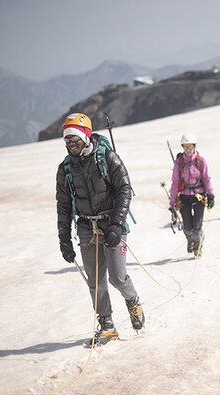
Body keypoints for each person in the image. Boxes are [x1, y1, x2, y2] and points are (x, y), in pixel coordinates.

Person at [56, 112, 144, 345]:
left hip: (112, 224)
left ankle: (132, 301)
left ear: (85, 136)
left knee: (116, 277)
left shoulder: (107, 157)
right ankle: (107, 325)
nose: (71, 144)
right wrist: (64, 239)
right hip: (86, 227)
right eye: (67, 140)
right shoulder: (65, 169)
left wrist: (116, 224)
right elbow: (63, 206)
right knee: (95, 281)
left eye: (74, 139)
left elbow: (125, 188)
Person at [169, 133, 214, 257]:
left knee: (197, 227)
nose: (188, 150)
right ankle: (190, 240)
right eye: (185, 147)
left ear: (194, 146)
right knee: (187, 228)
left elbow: (207, 178)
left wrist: (210, 195)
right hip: (184, 197)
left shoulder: (201, 161)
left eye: (190, 147)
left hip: (199, 196)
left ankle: (197, 247)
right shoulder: (179, 163)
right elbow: (175, 182)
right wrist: (172, 202)